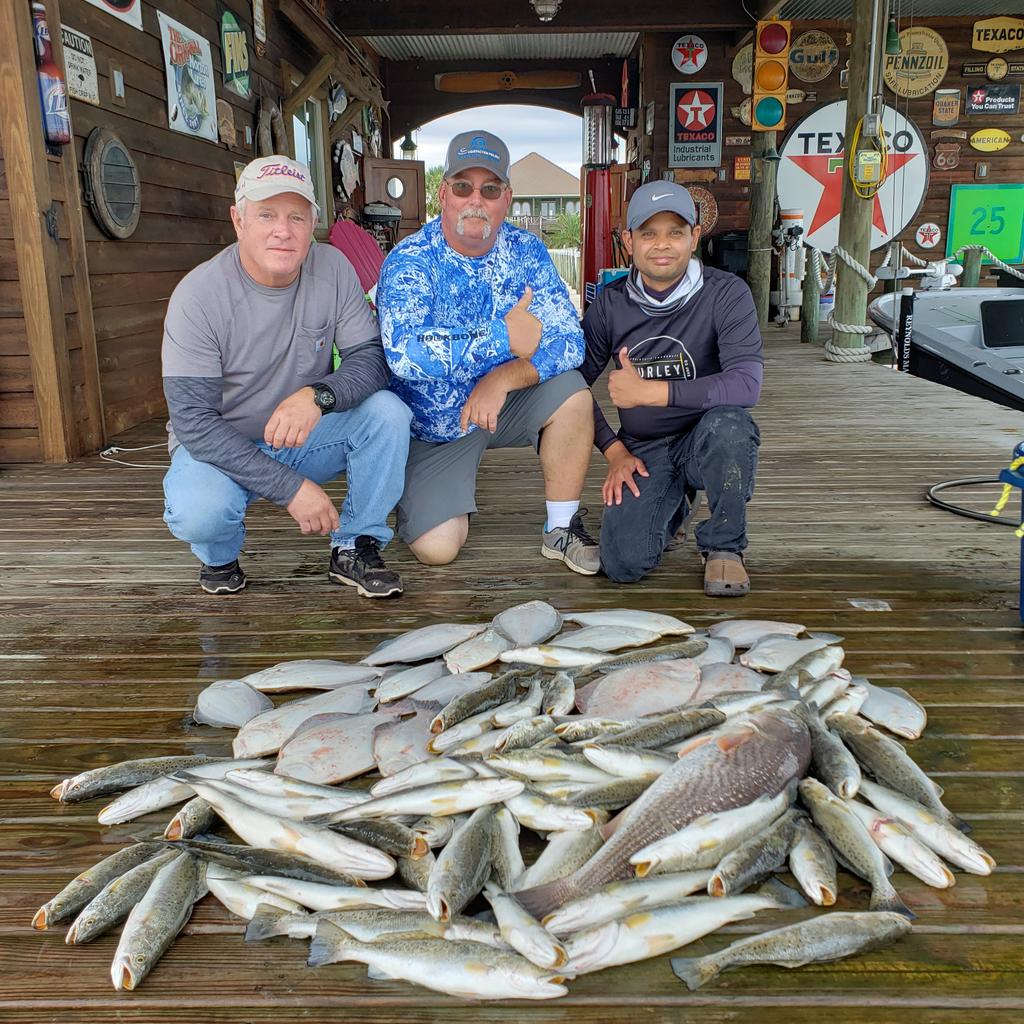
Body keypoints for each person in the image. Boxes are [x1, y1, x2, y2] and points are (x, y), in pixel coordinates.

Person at [161, 155, 412, 597]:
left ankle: (355, 543)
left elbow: (370, 359)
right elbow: (193, 422)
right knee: (199, 509)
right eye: (267, 214)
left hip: (302, 436)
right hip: (221, 447)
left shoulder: (332, 268)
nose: (283, 229)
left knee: (388, 413)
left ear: (313, 221)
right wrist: (291, 489)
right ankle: (220, 559)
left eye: (297, 216)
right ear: (238, 220)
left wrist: (319, 395)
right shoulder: (198, 296)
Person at [376, 130, 599, 574]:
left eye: (490, 189)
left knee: (575, 394)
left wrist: (503, 377)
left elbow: (570, 341)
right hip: (435, 427)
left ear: (507, 199)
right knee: (438, 550)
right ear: (444, 194)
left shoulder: (526, 251)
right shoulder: (411, 259)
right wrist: (502, 338)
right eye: (463, 187)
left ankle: (561, 526)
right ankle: (424, 495)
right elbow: (402, 353)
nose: (475, 199)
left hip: (505, 404)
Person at [580, 181, 762, 596]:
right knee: (623, 564)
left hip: (706, 438)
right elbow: (572, 388)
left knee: (731, 426)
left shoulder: (727, 293)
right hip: (643, 447)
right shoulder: (609, 304)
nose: (662, 245)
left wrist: (652, 393)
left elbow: (747, 384)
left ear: (695, 237)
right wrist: (613, 449)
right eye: (648, 233)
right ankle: (676, 503)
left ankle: (724, 546)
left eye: (676, 232)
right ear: (628, 241)